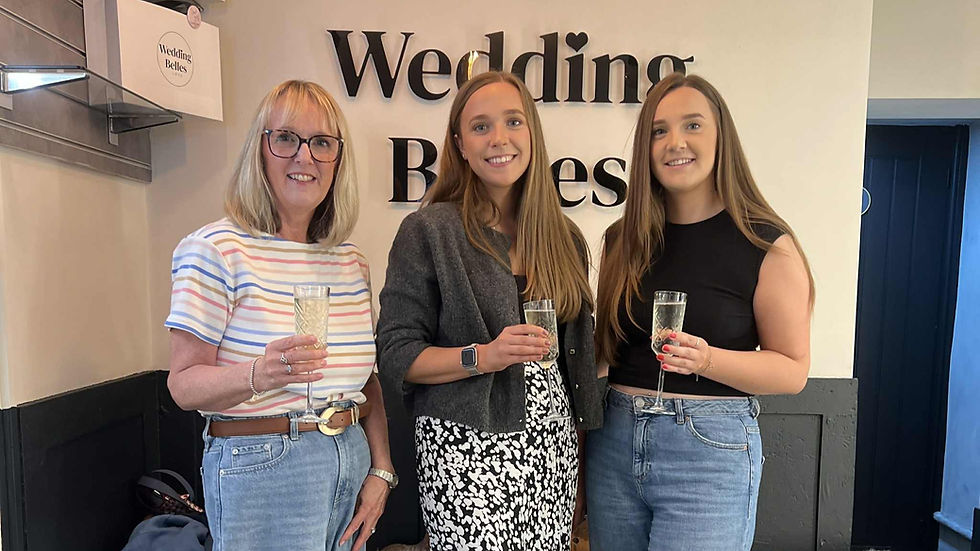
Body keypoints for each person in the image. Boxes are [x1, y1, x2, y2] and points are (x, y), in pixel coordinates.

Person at [376, 70, 604, 551]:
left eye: (513, 122)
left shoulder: (564, 239)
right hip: (465, 447)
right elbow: (397, 355)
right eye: (480, 126)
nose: (499, 138)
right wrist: (482, 356)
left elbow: (575, 367)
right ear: (459, 143)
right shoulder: (429, 232)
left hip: (553, 449)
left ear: (532, 133)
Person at [587, 72, 814, 551]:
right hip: (614, 440)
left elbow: (792, 370)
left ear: (720, 138)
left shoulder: (766, 244)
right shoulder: (620, 242)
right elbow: (606, 355)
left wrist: (707, 360)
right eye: (659, 130)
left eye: (692, 125)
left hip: (708, 453)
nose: (675, 142)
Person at [165, 80, 395, 551]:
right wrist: (260, 373)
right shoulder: (215, 250)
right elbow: (183, 385)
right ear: (260, 149)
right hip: (262, 462)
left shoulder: (349, 261)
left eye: (322, 143)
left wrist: (380, 469)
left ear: (338, 159)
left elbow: (366, 381)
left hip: (347, 455)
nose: (304, 157)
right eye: (286, 138)